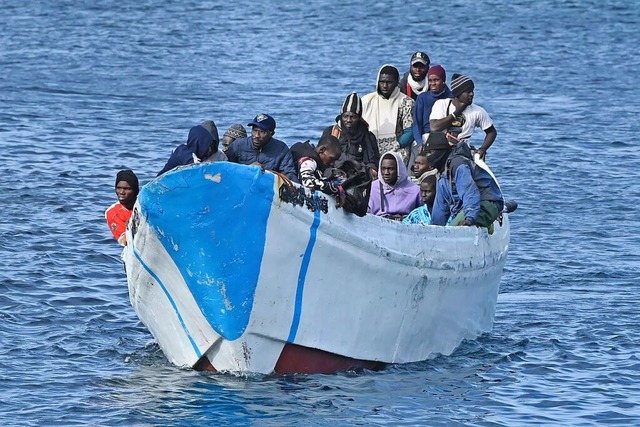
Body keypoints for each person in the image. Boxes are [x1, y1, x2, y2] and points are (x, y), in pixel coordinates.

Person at [425, 133, 503, 229]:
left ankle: (488, 222)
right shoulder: (441, 173)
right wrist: (434, 229)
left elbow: (470, 193)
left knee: (454, 229)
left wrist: (469, 218)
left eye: (431, 152)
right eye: (426, 153)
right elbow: (441, 207)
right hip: (464, 208)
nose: (428, 157)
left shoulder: (458, 165)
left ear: (441, 151)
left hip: (485, 203)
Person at [429, 73, 497, 160]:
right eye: (468, 91)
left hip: (461, 153)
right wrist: (457, 111)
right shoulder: (442, 104)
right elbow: (434, 127)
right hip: (439, 150)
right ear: (458, 93)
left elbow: (491, 132)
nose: (472, 94)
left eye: (472, 91)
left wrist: (483, 149)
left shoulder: (478, 111)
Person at [361, 64, 415, 164]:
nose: (385, 86)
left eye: (389, 82)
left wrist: (395, 146)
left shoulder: (406, 102)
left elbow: (410, 131)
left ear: (396, 82)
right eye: (382, 82)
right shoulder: (366, 101)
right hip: (370, 149)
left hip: (397, 149)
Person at [225, 113, 298, 182]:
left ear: (271, 133)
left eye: (262, 132)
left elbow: (289, 175)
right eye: (255, 130)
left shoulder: (281, 149)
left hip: (267, 188)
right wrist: (248, 169)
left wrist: (267, 173)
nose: (256, 135)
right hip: (241, 184)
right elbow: (226, 168)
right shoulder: (239, 145)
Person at [321, 92, 380, 177]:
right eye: (345, 116)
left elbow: (374, 163)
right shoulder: (331, 132)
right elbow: (322, 158)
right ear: (341, 116)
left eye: (353, 117)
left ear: (359, 118)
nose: (348, 120)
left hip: (358, 177)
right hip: (333, 175)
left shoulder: (368, 137)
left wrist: (359, 169)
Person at [157, 120, 225, 176]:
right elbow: (195, 169)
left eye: (212, 146)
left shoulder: (218, 156)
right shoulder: (182, 152)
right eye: (207, 146)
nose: (210, 150)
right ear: (199, 144)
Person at [367, 151, 421, 219]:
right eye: (383, 169)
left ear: (399, 170)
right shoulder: (373, 188)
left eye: (390, 169)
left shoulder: (414, 190)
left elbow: (421, 214)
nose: (386, 173)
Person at [412, 65, 453, 145]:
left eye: (436, 80)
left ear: (443, 80)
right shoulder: (422, 98)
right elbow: (417, 124)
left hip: (445, 138)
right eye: (430, 80)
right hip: (425, 138)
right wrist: (420, 143)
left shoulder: (451, 98)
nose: (433, 83)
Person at [105, 169, 139, 246]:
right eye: (119, 188)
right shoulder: (112, 212)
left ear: (135, 191)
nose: (121, 192)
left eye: (127, 189)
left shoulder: (145, 204)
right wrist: (131, 226)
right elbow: (124, 241)